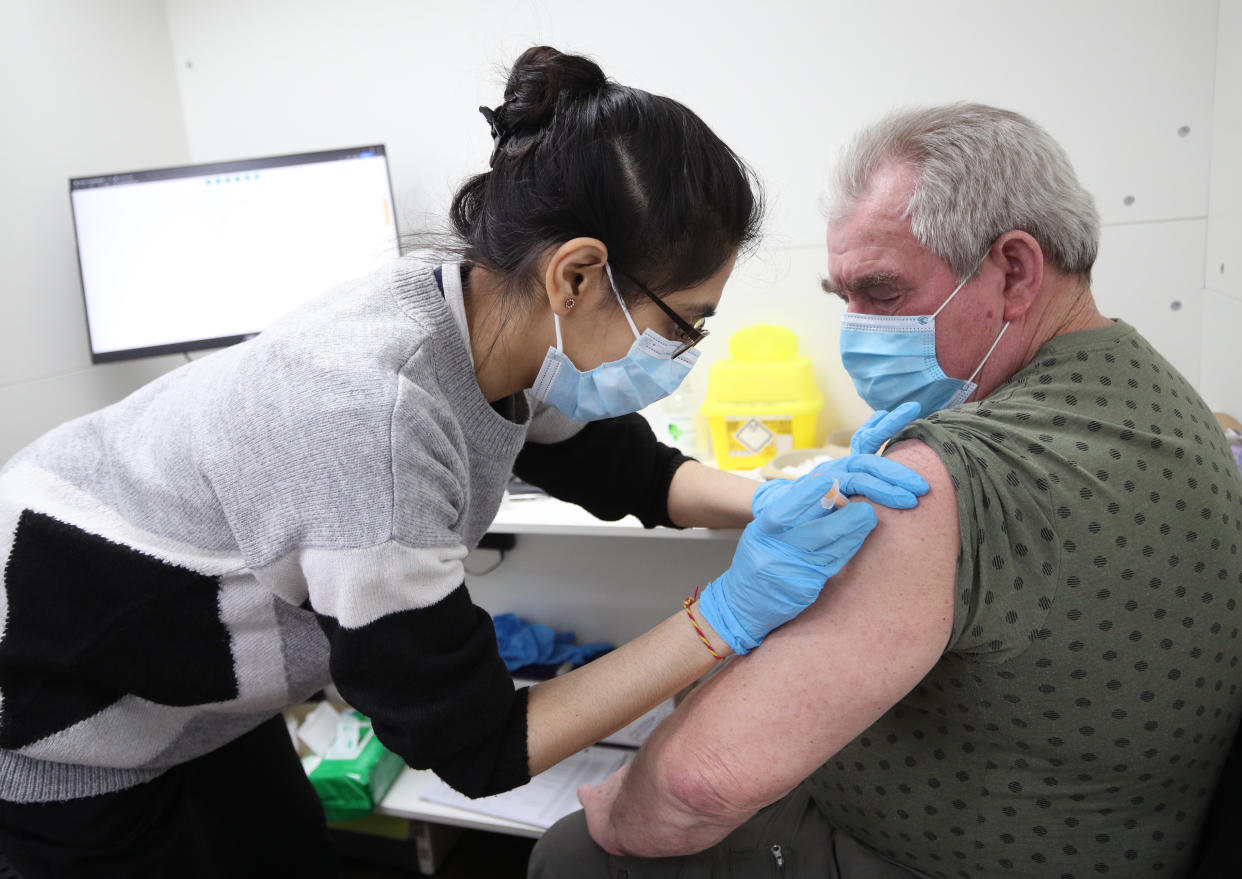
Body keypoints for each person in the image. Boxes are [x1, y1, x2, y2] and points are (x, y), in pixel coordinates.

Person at [0, 47, 929, 877]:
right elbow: (476, 745)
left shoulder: (476, 311)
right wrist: (721, 615)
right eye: (685, 321)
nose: (685, 349)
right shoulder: (374, 420)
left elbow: (616, 466)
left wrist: (774, 498)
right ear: (576, 273)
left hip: (198, 698)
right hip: (59, 708)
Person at [529, 103, 1242, 879]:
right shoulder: (1175, 405)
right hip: (1127, 831)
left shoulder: (941, 480)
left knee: (574, 852)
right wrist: (764, 504)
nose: (857, 331)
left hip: (930, 854)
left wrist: (618, 797)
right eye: (845, 298)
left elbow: (698, 782)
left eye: (883, 293)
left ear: (1015, 270)